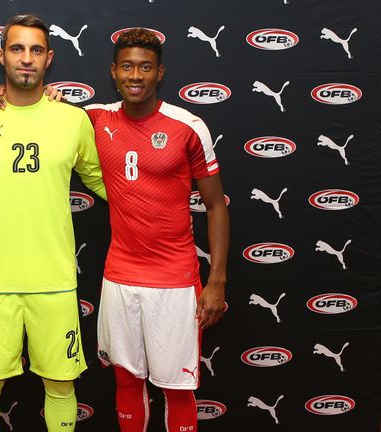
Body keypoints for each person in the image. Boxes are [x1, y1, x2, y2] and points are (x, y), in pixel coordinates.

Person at [0, 14, 107, 432]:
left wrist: (161, 199)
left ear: (49, 58)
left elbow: (105, 183)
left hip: (53, 279)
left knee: (61, 384)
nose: (26, 59)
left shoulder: (73, 120)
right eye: (17, 49)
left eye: (36, 50)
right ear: (1, 55)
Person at [86, 28, 229, 432]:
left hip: (174, 280)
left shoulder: (187, 126)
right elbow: (37, 110)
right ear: (114, 72)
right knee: (126, 380)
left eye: (145, 67)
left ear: (160, 72)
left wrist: (216, 280)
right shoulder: (94, 118)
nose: (136, 76)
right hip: (119, 277)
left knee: (177, 387)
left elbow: (217, 206)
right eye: (127, 66)